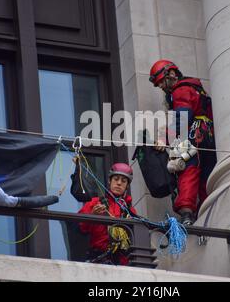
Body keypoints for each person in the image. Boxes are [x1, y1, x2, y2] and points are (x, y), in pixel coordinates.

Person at [149, 59, 217, 225]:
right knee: (205, 175)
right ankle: (205, 209)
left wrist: (163, 138)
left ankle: (186, 212)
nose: (162, 87)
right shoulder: (197, 89)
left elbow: (181, 119)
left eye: (162, 83)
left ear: (171, 74)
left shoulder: (181, 90)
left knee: (187, 169)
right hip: (209, 137)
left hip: (194, 135)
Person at [78, 163, 137, 265]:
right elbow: (80, 228)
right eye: (116, 179)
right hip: (98, 259)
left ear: (127, 186)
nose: (119, 183)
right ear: (109, 181)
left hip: (123, 262)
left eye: (123, 181)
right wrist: (92, 215)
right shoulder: (95, 203)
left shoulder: (130, 211)